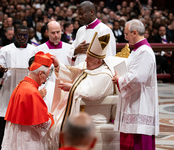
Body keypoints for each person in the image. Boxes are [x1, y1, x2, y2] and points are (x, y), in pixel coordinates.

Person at [50, 32, 114, 149]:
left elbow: (92, 93)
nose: (86, 61)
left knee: (59, 128)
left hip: (94, 116)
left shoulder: (105, 75)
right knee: (53, 125)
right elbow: (73, 71)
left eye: (89, 59)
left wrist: (72, 88)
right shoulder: (89, 65)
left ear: (99, 62)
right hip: (81, 113)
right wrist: (58, 65)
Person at [112, 19, 159, 150]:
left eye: (126, 34)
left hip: (140, 104)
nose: (125, 37)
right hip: (133, 102)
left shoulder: (145, 52)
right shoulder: (136, 51)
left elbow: (138, 78)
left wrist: (118, 80)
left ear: (134, 32)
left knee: (138, 144)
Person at [0, 25, 36, 150]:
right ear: (15, 35)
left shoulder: (33, 50)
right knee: (6, 119)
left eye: (25, 35)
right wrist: (0, 70)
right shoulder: (6, 50)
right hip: (9, 90)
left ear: (28, 35)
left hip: (28, 90)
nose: (22, 37)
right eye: (20, 35)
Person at [1, 51, 54, 150]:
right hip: (27, 139)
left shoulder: (22, 84)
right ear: (40, 73)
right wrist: (51, 117)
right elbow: (42, 125)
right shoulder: (32, 92)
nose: (45, 80)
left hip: (18, 135)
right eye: (46, 77)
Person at [36, 21, 72, 111]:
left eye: (58, 32)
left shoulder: (70, 49)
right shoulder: (39, 50)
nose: (56, 35)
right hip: (47, 90)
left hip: (65, 89)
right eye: (53, 33)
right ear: (47, 33)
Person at [70, 1, 116, 66]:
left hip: (95, 74)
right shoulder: (80, 30)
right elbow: (72, 50)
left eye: (81, 14)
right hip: (79, 72)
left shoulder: (104, 30)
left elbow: (108, 57)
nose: (79, 17)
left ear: (91, 12)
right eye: (78, 14)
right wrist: (76, 51)